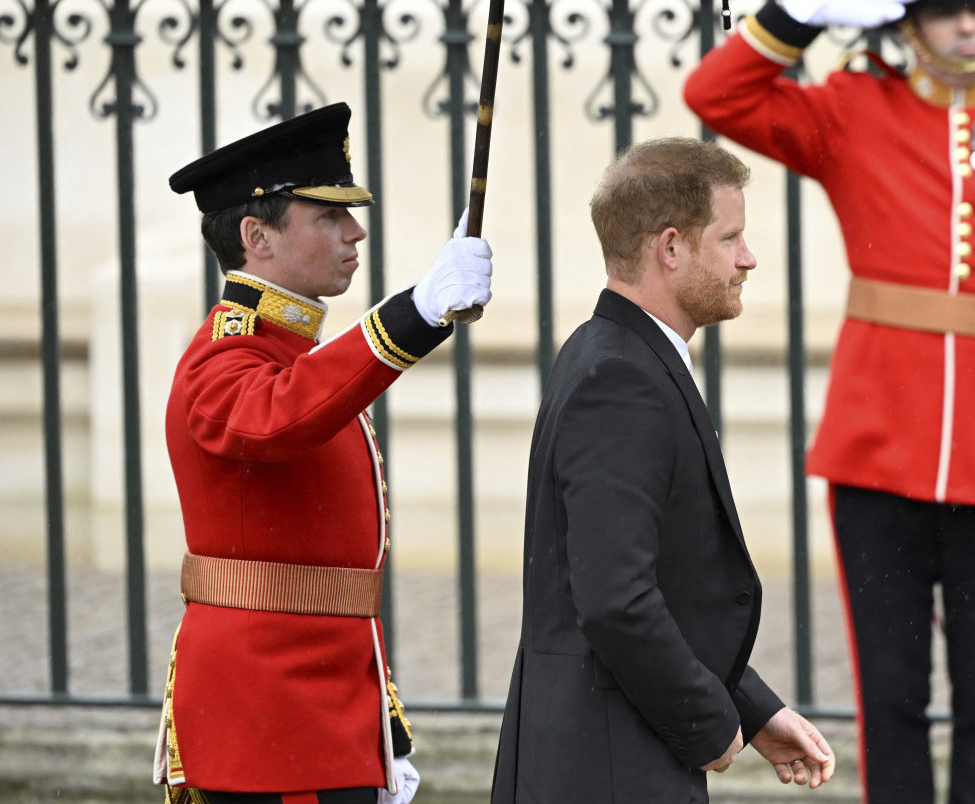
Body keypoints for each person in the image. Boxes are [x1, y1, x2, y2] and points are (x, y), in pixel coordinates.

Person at [686, 2, 975, 802]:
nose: (968, 25)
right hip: (877, 448)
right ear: (906, 23)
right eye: (945, 9)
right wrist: (798, 14)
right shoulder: (853, 109)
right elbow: (718, 96)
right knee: (890, 698)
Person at [153, 102, 494, 804]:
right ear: (257, 236)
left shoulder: (289, 352)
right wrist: (416, 311)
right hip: (268, 720)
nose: (354, 230)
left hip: (321, 714)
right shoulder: (223, 357)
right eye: (328, 216)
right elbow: (278, 419)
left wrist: (380, 725)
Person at [488, 136, 835, 803]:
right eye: (730, 237)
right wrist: (708, 723)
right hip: (606, 766)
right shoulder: (620, 379)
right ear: (669, 248)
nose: (748, 257)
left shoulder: (619, 353)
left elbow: (665, 583)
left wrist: (753, 711)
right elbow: (617, 599)